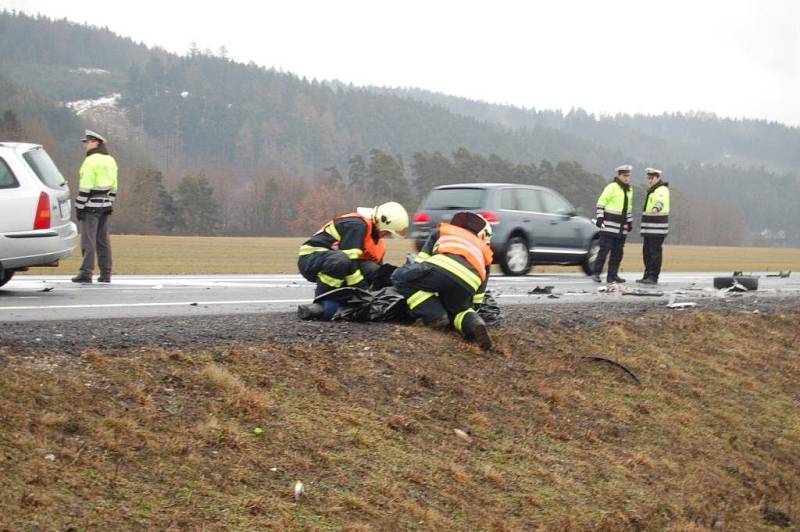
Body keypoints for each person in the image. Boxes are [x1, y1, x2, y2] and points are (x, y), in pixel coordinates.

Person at [391, 211, 494, 350]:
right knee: (459, 311)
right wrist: (471, 309)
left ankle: (435, 315)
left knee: (400, 277)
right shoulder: (484, 251)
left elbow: (421, 263)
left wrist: (409, 272)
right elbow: (478, 296)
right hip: (470, 281)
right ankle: (475, 325)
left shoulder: (443, 231)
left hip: (444, 267)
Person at [296, 201, 409, 320]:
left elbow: (373, 271)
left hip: (338, 261)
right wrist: (363, 291)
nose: (385, 236)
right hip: (311, 258)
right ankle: (321, 301)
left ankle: (343, 303)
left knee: (373, 269)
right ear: (381, 220)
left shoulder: (377, 240)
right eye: (386, 232)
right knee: (340, 260)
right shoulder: (357, 225)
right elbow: (349, 260)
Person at [72, 130, 118, 284]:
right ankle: (106, 273)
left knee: (88, 240)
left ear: (95, 142)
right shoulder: (110, 160)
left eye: (87, 142)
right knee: (103, 241)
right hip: (105, 204)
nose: (84, 145)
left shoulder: (91, 160)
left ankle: (86, 272)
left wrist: (79, 206)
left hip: (90, 205)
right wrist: (109, 202)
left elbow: (85, 186)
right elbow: (114, 186)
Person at [592, 164, 633, 283]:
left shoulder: (629, 190)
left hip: (621, 228)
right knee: (603, 251)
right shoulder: (611, 187)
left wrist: (629, 222)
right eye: (624, 176)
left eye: (628, 176)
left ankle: (612, 275)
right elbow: (601, 203)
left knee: (617, 253)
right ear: (619, 175)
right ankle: (596, 273)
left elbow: (629, 208)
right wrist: (600, 218)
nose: (626, 178)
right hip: (609, 226)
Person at [637, 168, 670, 284]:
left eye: (652, 178)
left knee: (654, 253)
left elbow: (660, 201)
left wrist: (656, 208)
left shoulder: (662, 190)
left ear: (658, 178)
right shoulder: (652, 190)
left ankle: (653, 276)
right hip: (649, 229)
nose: (650, 181)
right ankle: (647, 275)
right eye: (649, 178)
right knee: (646, 252)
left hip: (657, 229)